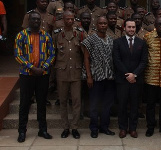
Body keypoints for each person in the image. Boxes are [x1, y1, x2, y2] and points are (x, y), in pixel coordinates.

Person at [14, 11, 55, 142]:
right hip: (27, 75)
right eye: (34, 19)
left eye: (38, 19)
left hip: (43, 75)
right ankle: (22, 131)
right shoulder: (21, 35)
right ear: (29, 21)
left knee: (42, 103)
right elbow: (18, 55)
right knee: (24, 103)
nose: (36, 21)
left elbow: (52, 54)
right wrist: (32, 68)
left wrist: (43, 68)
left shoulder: (46, 36)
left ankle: (42, 130)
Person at [52, 11, 86, 139]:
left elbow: (85, 53)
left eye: (72, 19)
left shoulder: (80, 33)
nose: (70, 21)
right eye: (68, 19)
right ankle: (65, 127)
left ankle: (75, 127)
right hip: (62, 72)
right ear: (63, 20)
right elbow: (53, 53)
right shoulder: (57, 34)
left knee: (76, 101)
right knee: (63, 101)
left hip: (76, 72)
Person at [113, 18, 148, 138]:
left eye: (133, 27)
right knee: (122, 105)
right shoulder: (117, 42)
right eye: (129, 27)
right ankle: (122, 128)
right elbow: (117, 60)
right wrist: (128, 75)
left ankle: (133, 128)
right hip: (122, 80)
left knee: (134, 105)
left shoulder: (141, 43)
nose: (131, 29)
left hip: (136, 80)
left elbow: (144, 61)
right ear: (124, 28)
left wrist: (135, 74)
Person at [82, 16, 115, 138]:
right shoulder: (90, 40)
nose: (103, 25)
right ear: (96, 24)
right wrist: (89, 76)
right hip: (96, 77)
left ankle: (104, 127)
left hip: (109, 77)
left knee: (107, 104)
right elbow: (86, 58)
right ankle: (94, 128)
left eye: (105, 23)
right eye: (100, 23)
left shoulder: (111, 40)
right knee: (95, 104)